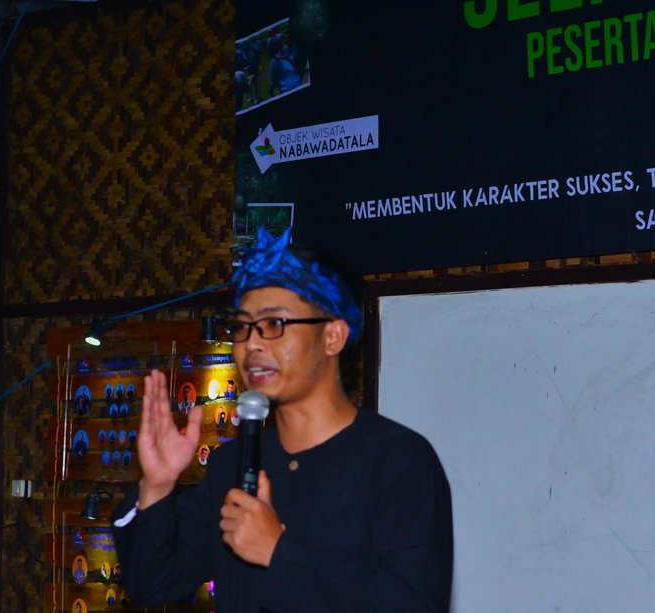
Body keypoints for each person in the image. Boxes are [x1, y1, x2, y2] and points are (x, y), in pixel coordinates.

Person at [116, 227, 453, 612]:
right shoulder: (234, 465)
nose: (252, 344)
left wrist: (279, 552)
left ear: (333, 337)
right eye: (242, 327)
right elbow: (153, 585)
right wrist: (157, 486)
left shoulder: (399, 461)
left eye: (274, 324)